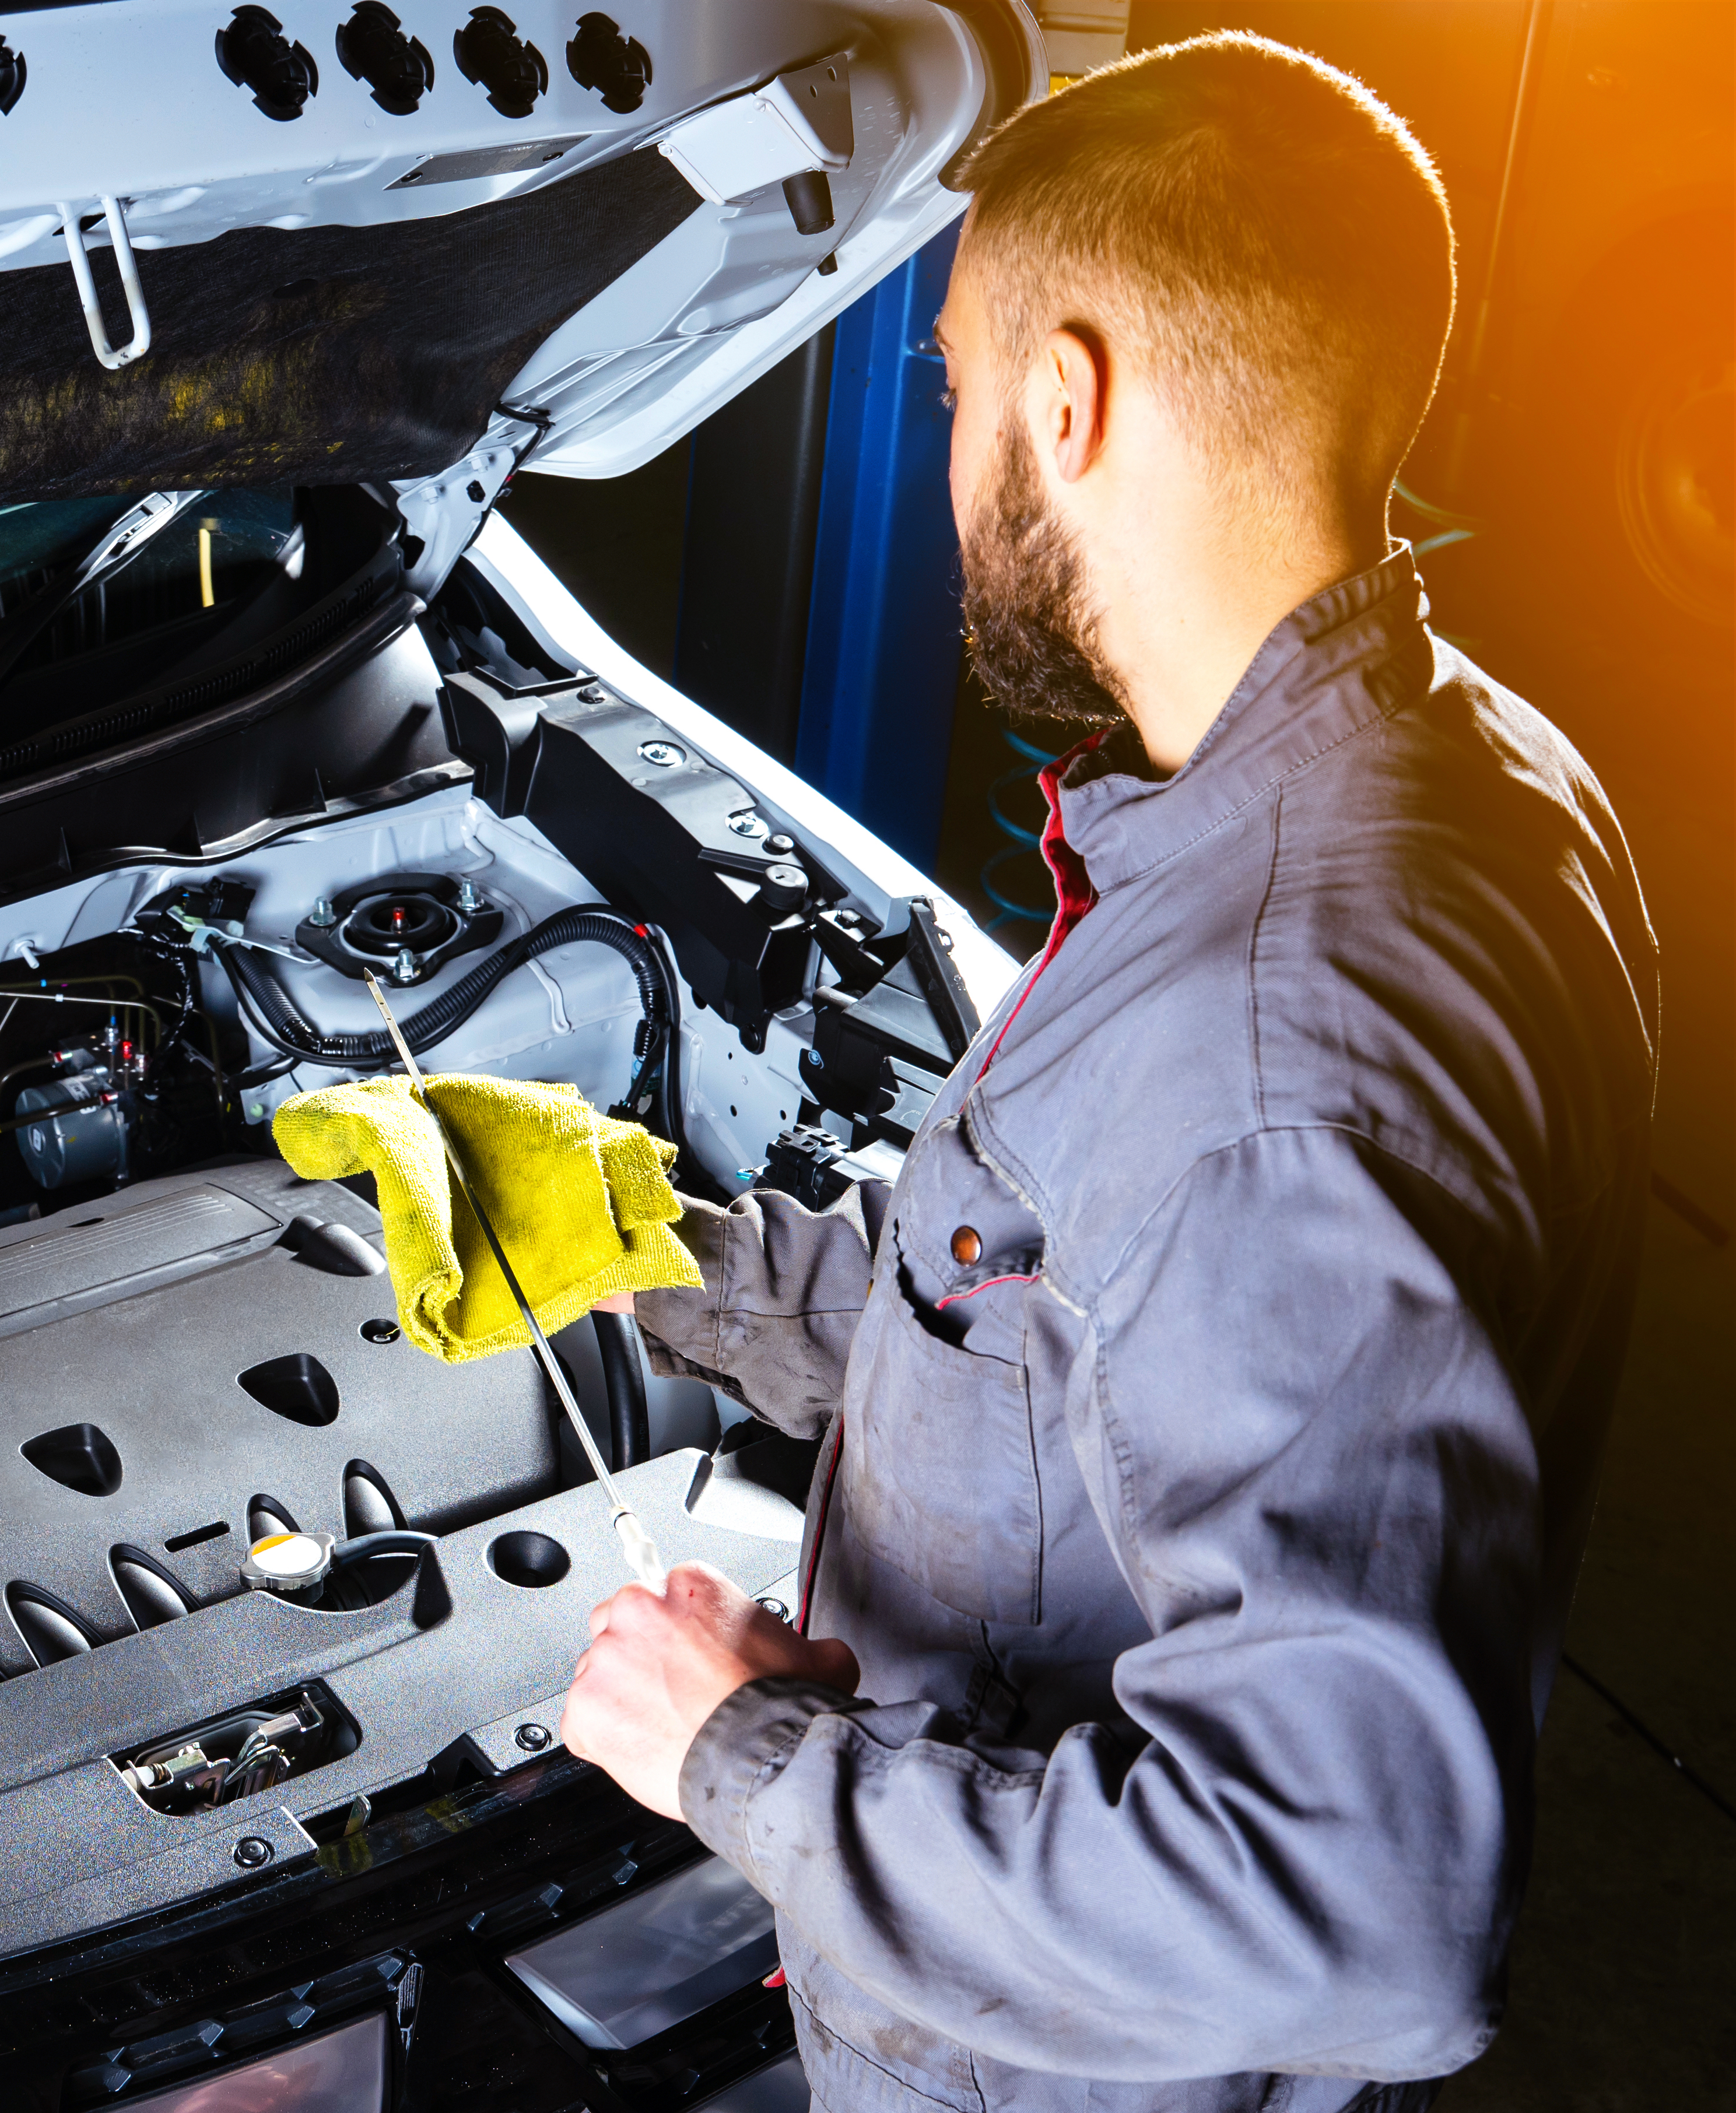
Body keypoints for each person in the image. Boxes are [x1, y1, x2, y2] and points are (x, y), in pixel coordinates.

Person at [559, 33, 1658, 2113]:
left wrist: (743, 1756)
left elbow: (1346, 1922)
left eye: (957, 388)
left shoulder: (1265, 1043)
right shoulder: (1473, 772)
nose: (955, 446)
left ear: (1062, 401)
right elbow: (1059, 1320)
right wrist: (646, 1251)